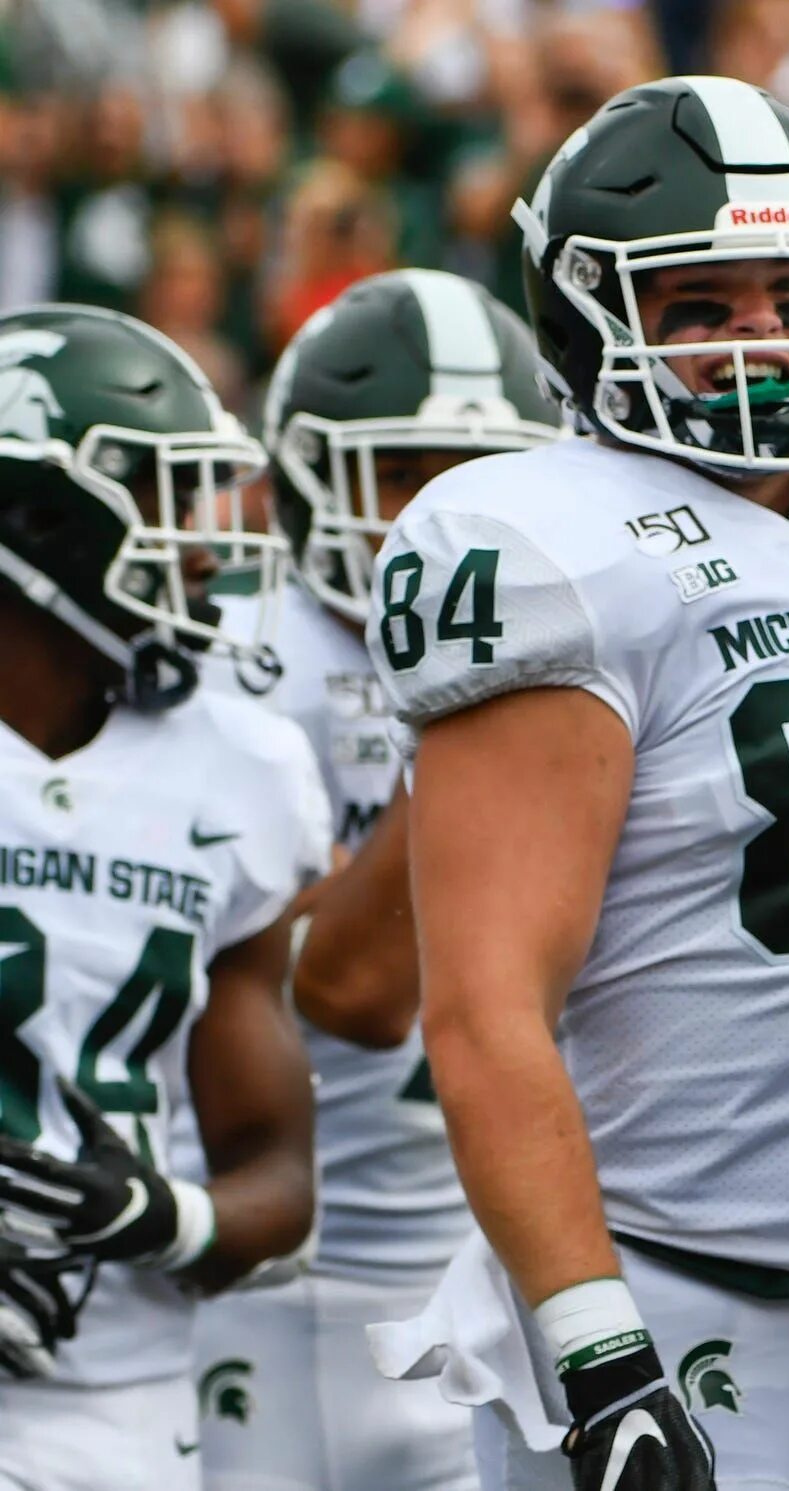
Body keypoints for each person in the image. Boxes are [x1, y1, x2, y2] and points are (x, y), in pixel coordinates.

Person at [363, 77, 789, 1490]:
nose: (762, 341)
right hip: (678, 1301)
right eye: (702, 306)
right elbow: (483, 1003)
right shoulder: (539, 539)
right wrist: (599, 1353)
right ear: (590, 319)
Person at [192, 268, 562, 1491]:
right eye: (400, 473)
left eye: (475, 473)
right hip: (270, 1270)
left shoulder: (581, 655)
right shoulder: (235, 664)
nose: (439, 513)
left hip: (481, 1280)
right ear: (304, 476)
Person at [0, 304, 324, 1488]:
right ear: (36, 516)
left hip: (115, 1398)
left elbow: (275, 1169)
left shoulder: (242, 766)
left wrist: (156, 1217)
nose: (205, 543)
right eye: (164, 497)